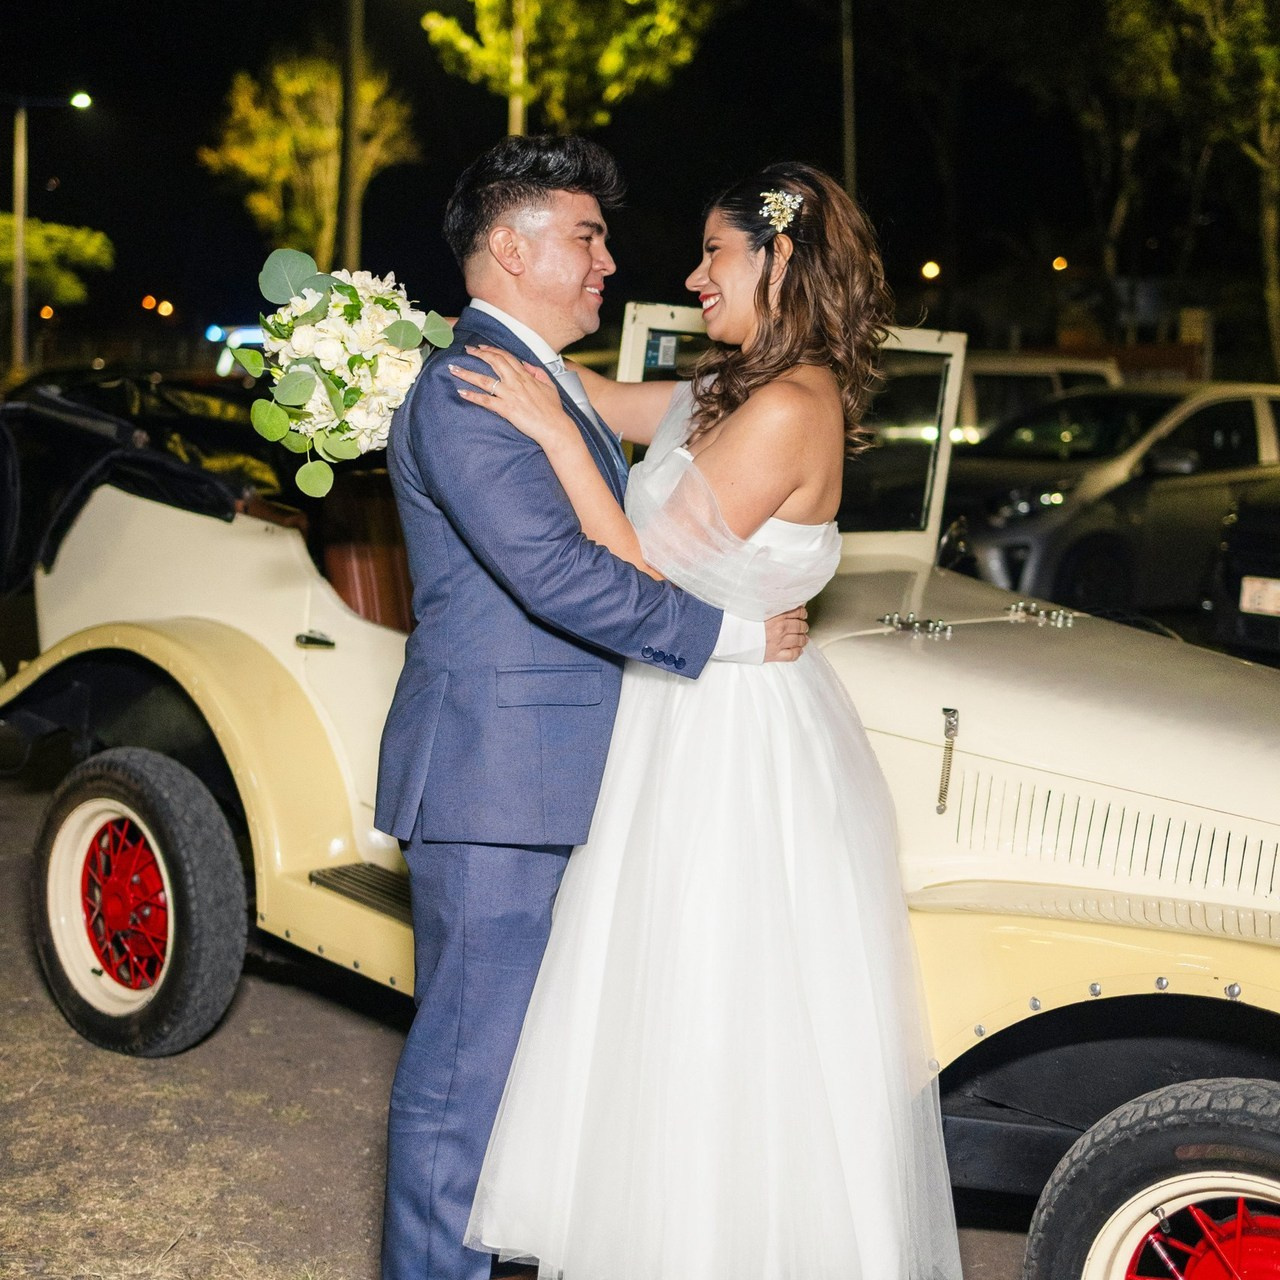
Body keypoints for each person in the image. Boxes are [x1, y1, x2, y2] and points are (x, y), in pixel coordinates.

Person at [451, 162, 964, 1280]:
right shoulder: (732, 386)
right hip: (686, 711)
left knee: (702, 999)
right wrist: (508, 357)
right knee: (646, 1001)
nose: (690, 279)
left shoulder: (786, 405)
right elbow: (611, 403)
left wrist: (546, 434)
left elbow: (640, 565)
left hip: (724, 742)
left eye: (712, 255)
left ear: (777, 261)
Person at [374, 135, 810, 1280]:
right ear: (509, 249)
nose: (610, 260)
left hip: (566, 773)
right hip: (496, 781)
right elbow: (558, 574)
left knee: (531, 1075)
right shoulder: (473, 386)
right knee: (465, 1080)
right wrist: (732, 637)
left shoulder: (548, 377)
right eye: (587, 235)